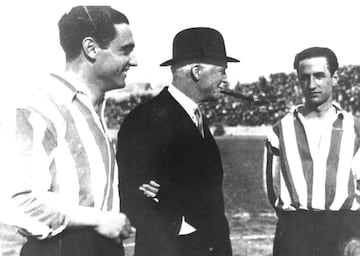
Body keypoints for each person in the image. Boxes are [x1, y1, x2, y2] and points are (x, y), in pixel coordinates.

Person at [0, 5, 137, 256]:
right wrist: (97, 219)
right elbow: (17, 201)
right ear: (91, 48)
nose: (134, 60)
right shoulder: (39, 106)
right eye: (125, 50)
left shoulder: (93, 107)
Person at [116, 27, 238, 256]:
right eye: (222, 72)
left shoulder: (196, 117)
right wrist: (187, 228)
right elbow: (133, 198)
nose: (226, 80)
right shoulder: (145, 120)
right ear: (196, 71)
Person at [265, 47, 360, 256]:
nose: (311, 84)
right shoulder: (280, 130)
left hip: (344, 231)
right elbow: (272, 189)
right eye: (304, 77)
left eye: (319, 76)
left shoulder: (355, 129)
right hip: (295, 233)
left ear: (334, 78)